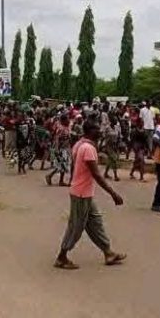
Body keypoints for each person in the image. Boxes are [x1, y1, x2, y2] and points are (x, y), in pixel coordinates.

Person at [54, 119, 126, 270]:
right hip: (81, 193)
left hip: (83, 192)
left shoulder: (80, 144)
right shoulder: (88, 148)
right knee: (76, 226)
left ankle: (108, 252)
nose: (100, 132)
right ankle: (61, 257)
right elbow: (97, 175)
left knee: (95, 222)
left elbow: (75, 167)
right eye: (97, 129)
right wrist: (113, 193)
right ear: (90, 131)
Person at [45, 114, 72, 186]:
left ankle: (59, 180)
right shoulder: (61, 128)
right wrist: (57, 149)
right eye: (67, 119)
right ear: (63, 120)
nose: (68, 120)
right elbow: (57, 138)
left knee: (63, 165)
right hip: (61, 148)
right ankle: (51, 176)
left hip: (65, 148)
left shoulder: (67, 127)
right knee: (62, 164)